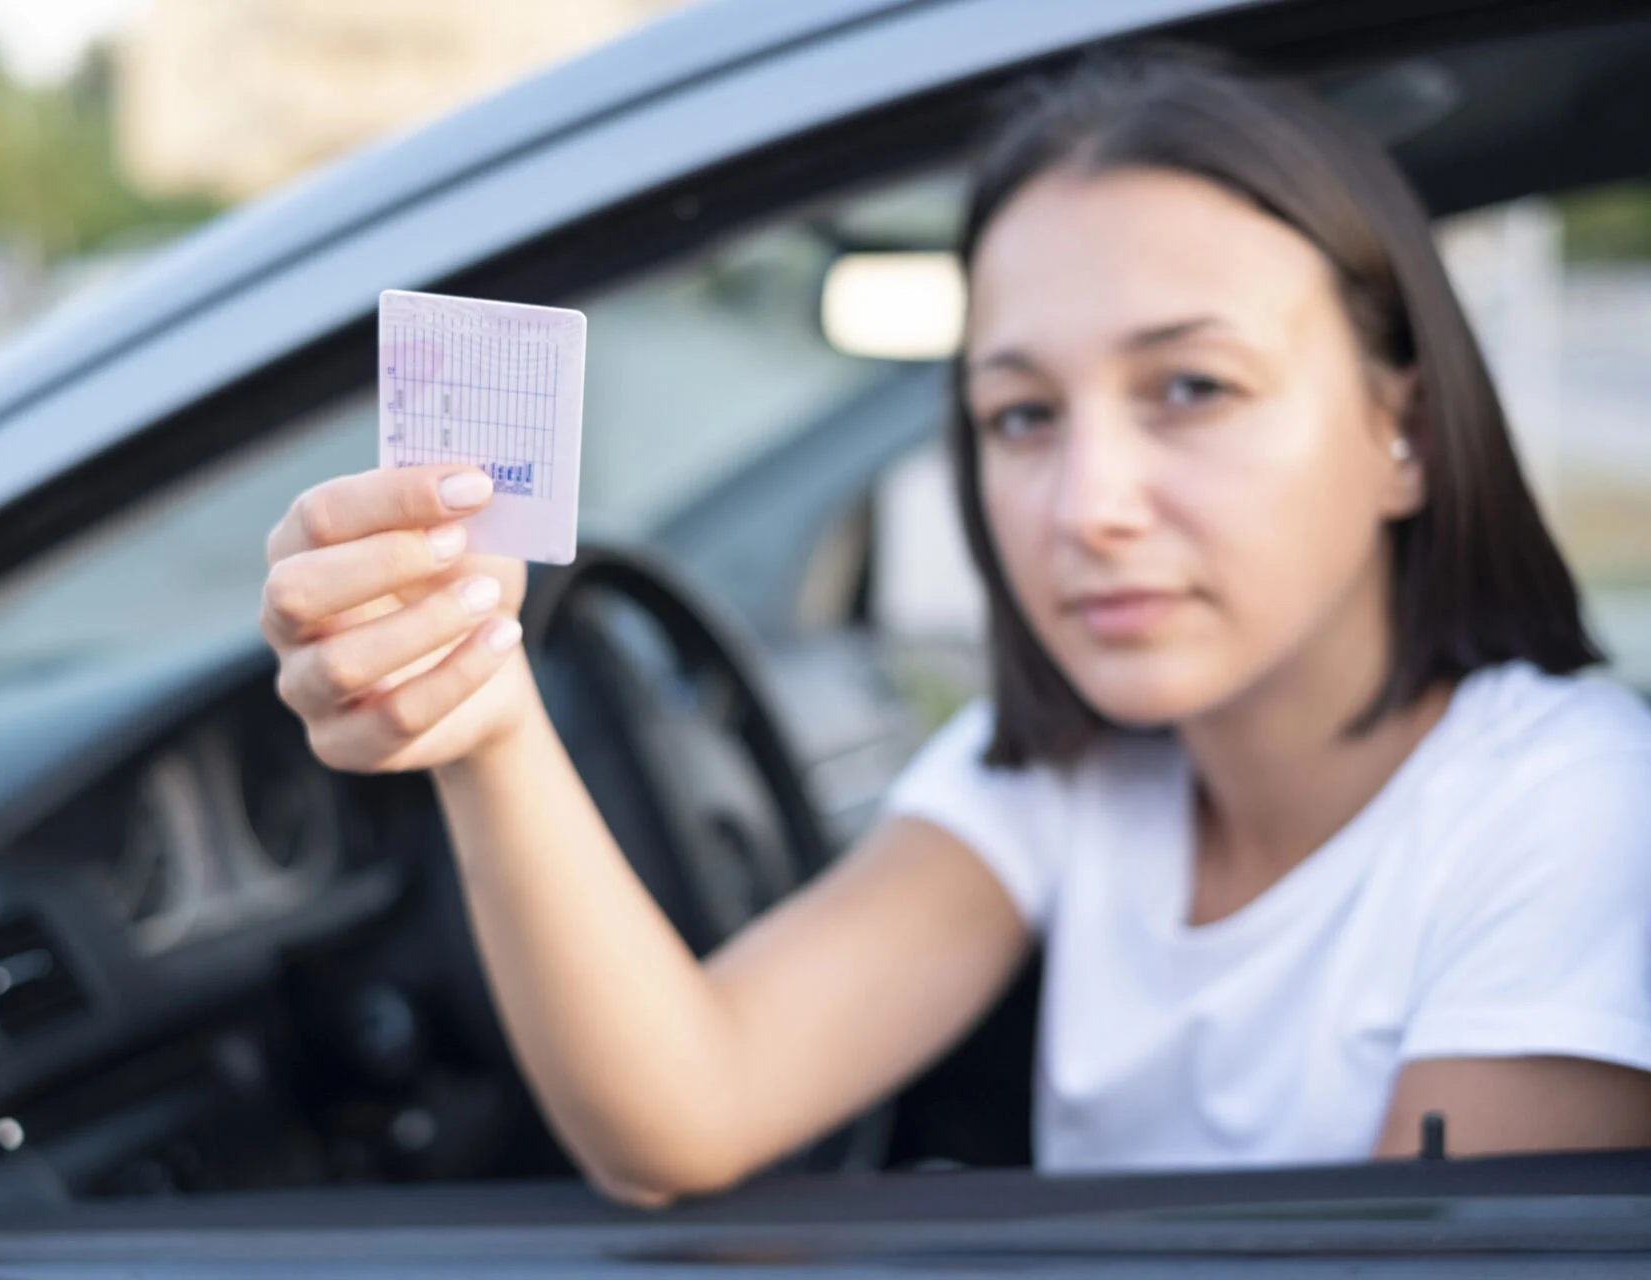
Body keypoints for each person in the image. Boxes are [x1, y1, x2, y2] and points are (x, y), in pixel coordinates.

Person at [259, 49, 1651, 1205]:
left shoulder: (1566, 805)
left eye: (1192, 389)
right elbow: (688, 1105)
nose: (1088, 505)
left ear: (1399, 430)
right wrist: (483, 714)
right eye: (1022, 416)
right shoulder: (1063, 772)